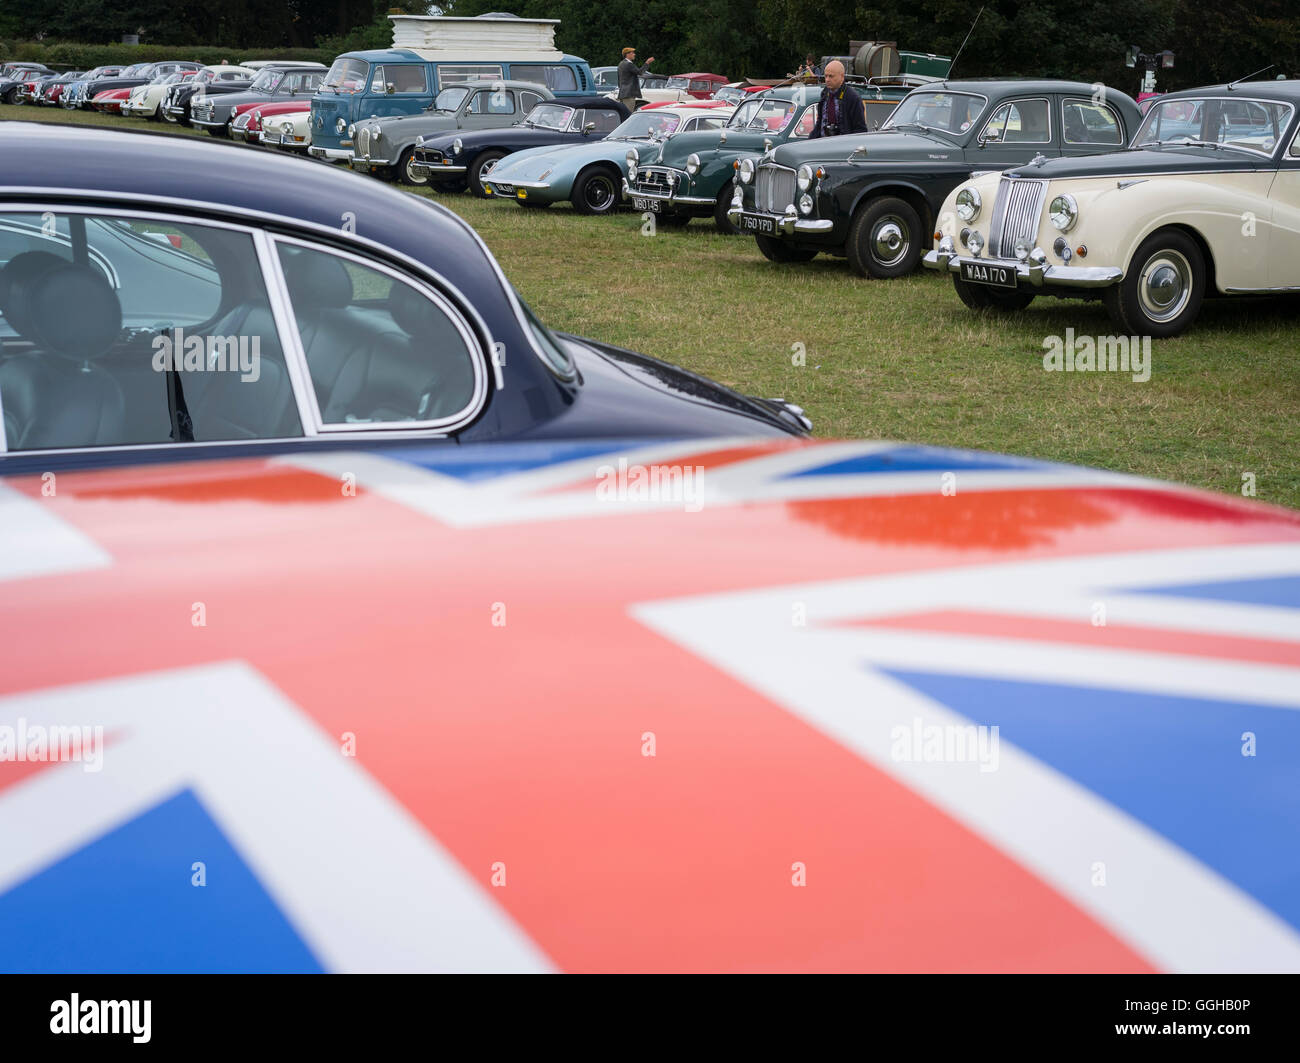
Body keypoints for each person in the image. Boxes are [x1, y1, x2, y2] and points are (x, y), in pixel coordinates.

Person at [809, 60, 868, 139]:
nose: (827, 79)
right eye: (826, 76)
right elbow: (820, 122)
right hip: (823, 145)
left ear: (842, 76)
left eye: (831, 76)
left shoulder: (852, 97)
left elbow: (860, 130)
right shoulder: (825, 94)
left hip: (843, 147)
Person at [617, 46, 655, 111]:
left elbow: (619, 80)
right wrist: (647, 63)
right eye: (632, 53)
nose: (634, 54)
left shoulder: (621, 64)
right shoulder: (628, 64)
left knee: (623, 113)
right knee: (628, 113)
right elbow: (640, 72)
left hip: (622, 93)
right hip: (629, 94)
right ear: (627, 54)